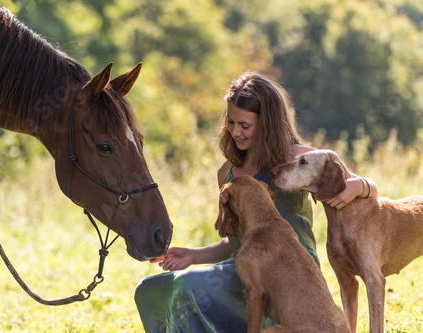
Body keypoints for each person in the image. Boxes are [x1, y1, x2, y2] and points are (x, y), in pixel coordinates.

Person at [134, 71, 378, 332]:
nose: (235, 131)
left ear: (268, 123)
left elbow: (369, 189)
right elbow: (238, 241)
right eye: (230, 122)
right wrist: (194, 255)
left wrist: (360, 186)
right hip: (244, 268)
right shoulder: (226, 172)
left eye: (245, 125)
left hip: (289, 273)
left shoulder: (303, 160)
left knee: (188, 286)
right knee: (150, 290)